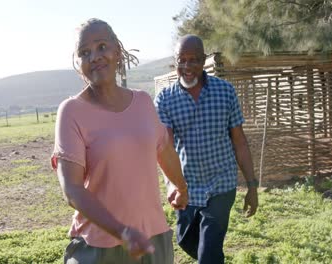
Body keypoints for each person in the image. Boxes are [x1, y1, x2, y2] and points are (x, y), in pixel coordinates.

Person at [51, 18, 189, 264]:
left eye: (101, 46)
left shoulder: (143, 102)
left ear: (117, 51)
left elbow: (164, 150)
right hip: (101, 246)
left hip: (152, 240)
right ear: (78, 62)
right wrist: (122, 231)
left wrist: (181, 187)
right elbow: (71, 189)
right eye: (84, 52)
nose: (94, 56)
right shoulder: (71, 111)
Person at [154, 35, 259, 264]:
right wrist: (174, 186)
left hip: (222, 184)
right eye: (182, 60)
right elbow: (165, 147)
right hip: (186, 187)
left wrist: (252, 185)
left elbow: (239, 141)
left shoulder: (225, 92)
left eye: (194, 60)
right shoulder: (165, 99)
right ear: (176, 61)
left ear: (204, 61)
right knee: (185, 240)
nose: (187, 66)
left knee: (208, 252)